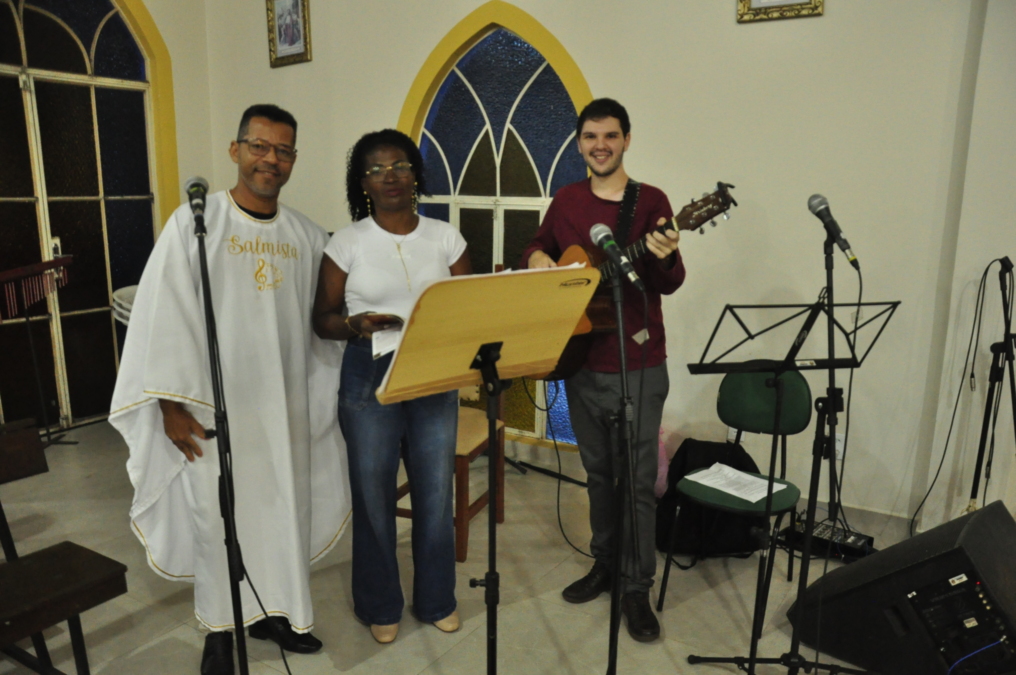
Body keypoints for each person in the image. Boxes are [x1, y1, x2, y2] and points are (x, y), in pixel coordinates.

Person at [109, 104, 351, 675]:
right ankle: (220, 630)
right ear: (235, 150)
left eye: (283, 150)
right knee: (218, 518)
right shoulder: (193, 224)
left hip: (283, 409)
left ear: (294, 159)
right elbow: (163, 314)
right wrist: (169, 405)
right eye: (259, 146)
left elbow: (322, 321)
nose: (271, 159)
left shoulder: (305, 235)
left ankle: (277, 613)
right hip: (210, 411)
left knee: (282, 512)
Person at [521, 98, 684, 642]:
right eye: (591, 136)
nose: (600, 145)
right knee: (596, 472)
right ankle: (605, 561)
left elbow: (670, 281)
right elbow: (537, 246)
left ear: (626, 140)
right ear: (579, 143)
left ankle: (636, 587)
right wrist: (537, 258)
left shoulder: (651, 201)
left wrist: (665, 253)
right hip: (580, 359)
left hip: (638, 361)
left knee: (636, 482)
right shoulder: (567, 199)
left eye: (610, 135)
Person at [312, 129, 471, 644]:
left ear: (415, 173)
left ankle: (437, 599)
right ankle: (380, 603)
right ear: (363, 183)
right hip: (369, 371)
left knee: (434, 493)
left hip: (432, 371)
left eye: (400, 165)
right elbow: (322, 319)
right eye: (377, 170)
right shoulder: (347, 242)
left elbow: (469, 306)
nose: (390, 177)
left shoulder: (445, 237)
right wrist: (355, 325)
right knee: (374, 495)